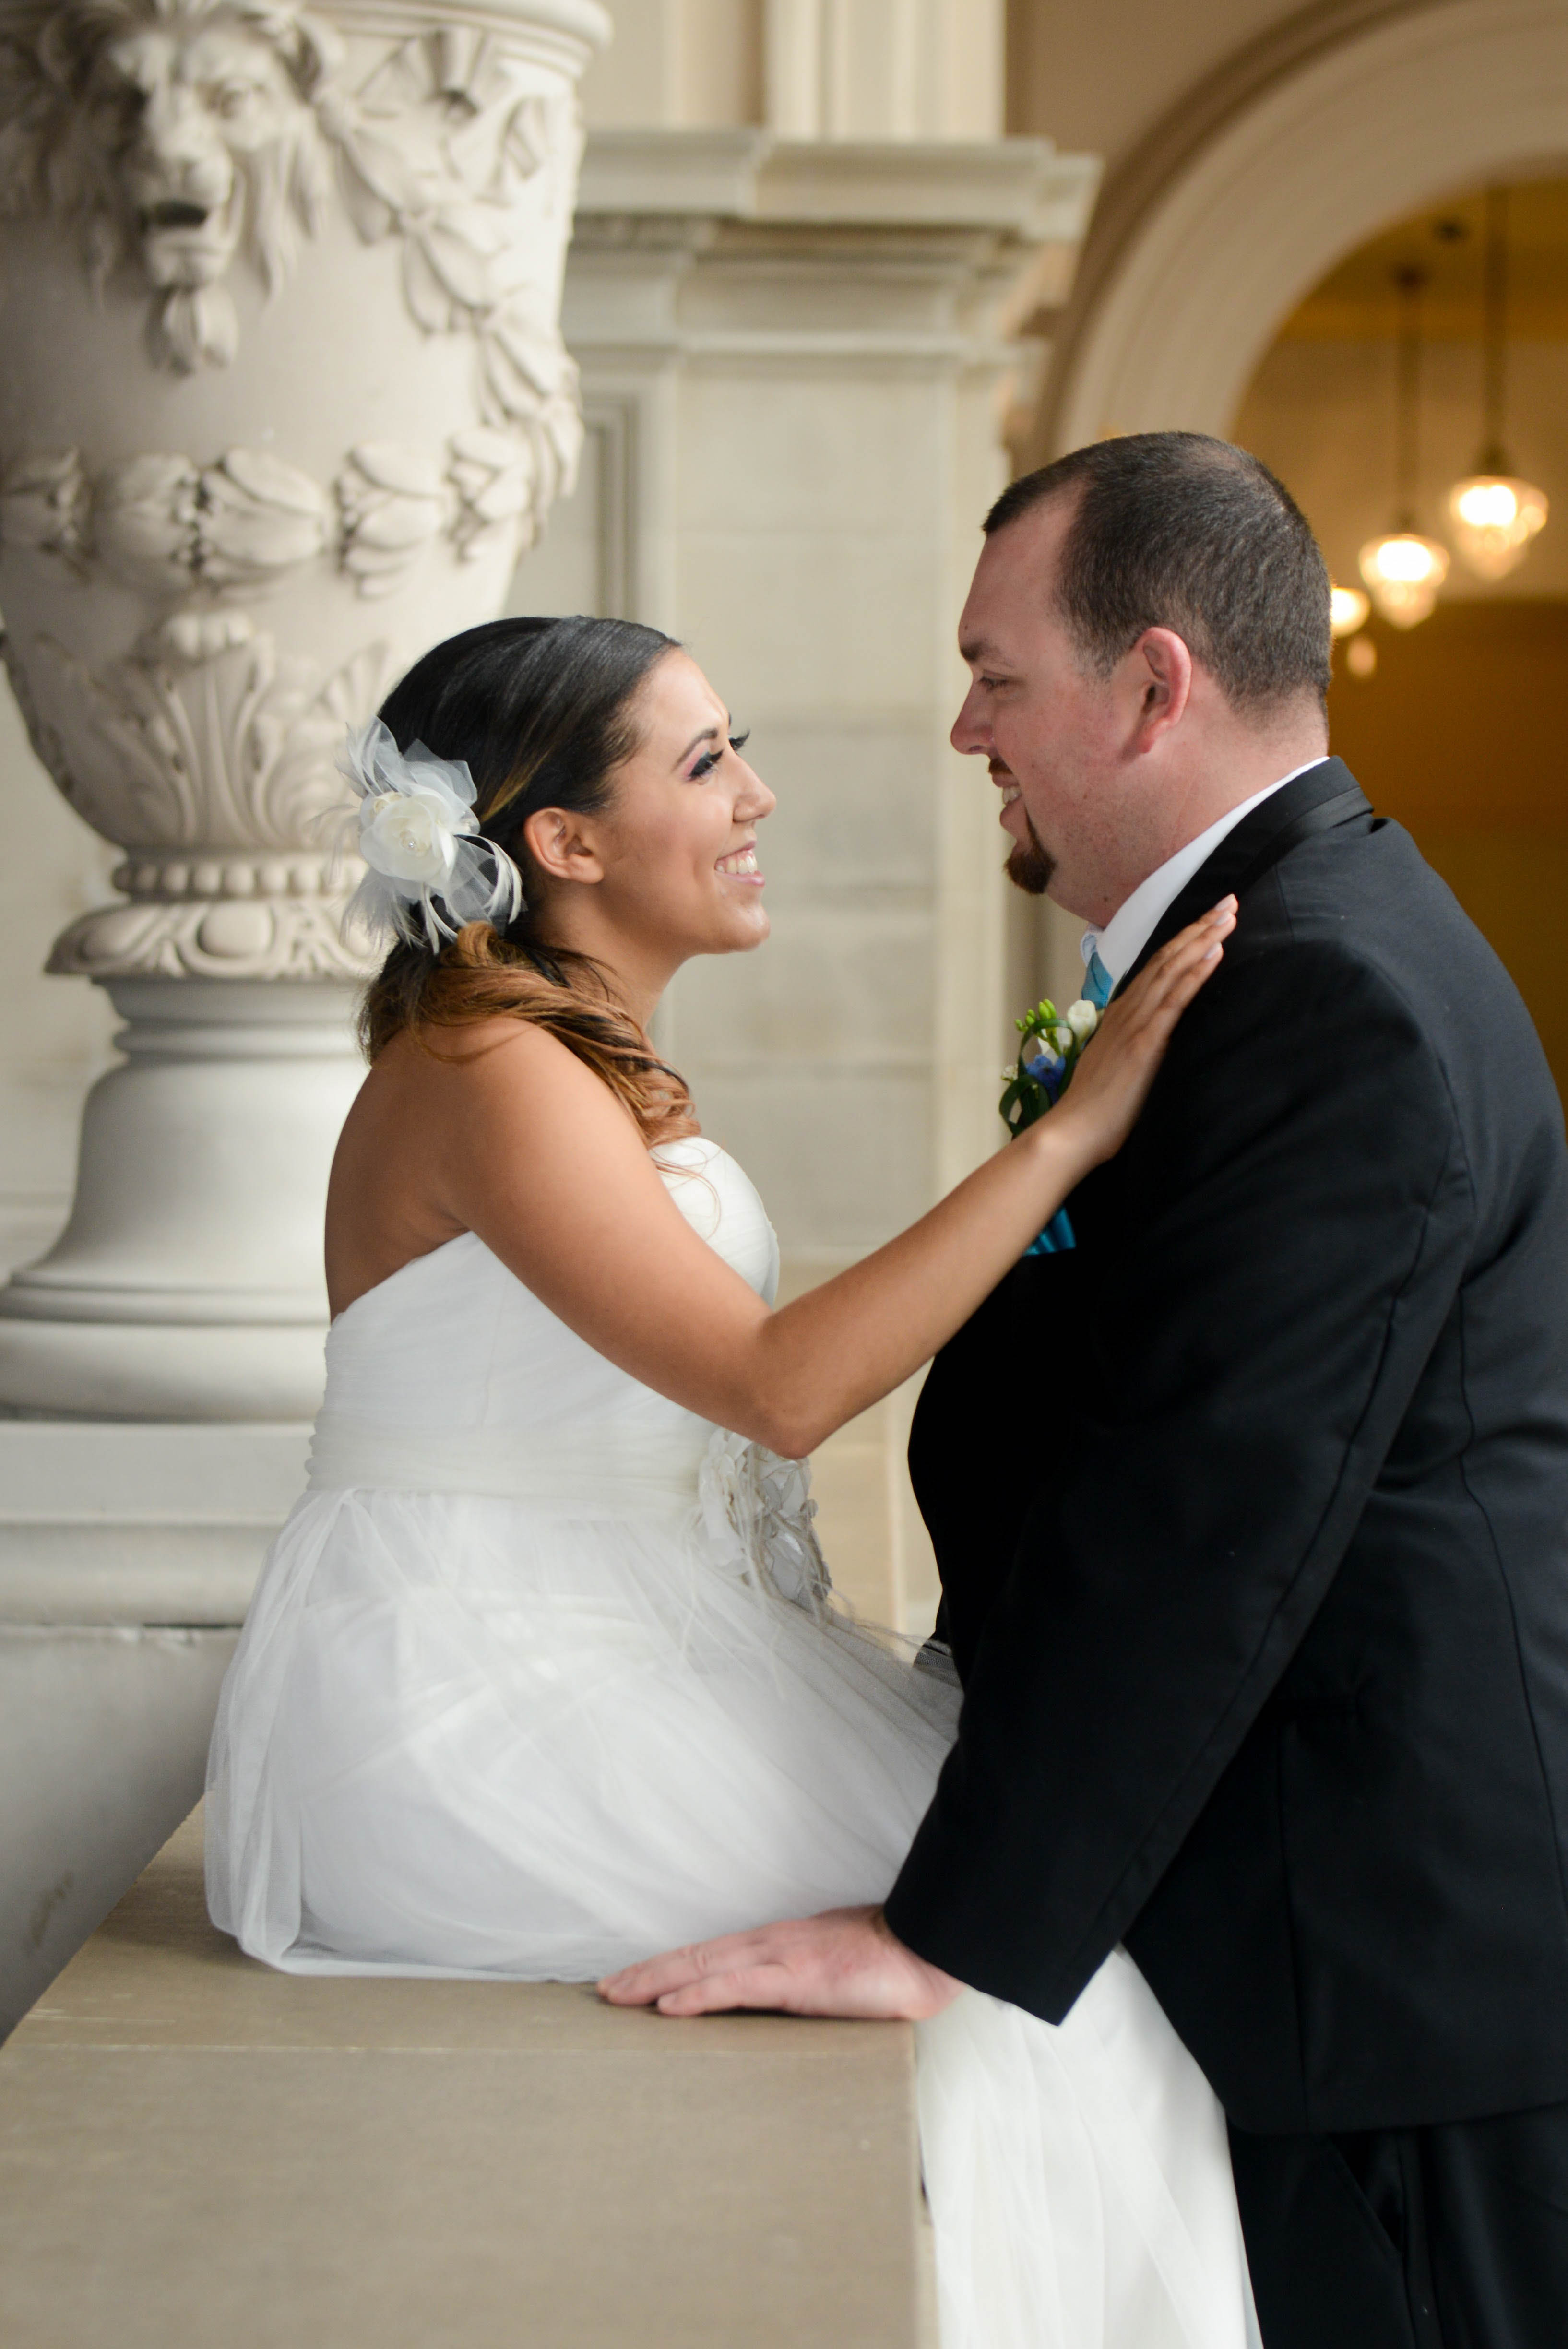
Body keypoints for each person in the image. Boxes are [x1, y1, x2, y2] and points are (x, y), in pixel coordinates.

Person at [606, 434, 1568, 2349]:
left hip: (1372, 1944)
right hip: (1304, 1918)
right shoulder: (1272, 951)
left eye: (996, 677)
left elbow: (1214, 1505)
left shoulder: (1326, 994)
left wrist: (946, 1931)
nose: (966, 733)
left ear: (1151, 686)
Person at [204, 609, 1254, 2348]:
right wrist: (1072, 1133)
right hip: (474, 1687)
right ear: (564, 842)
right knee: (1029, 1969)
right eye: (705, 763)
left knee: (1061, 1927)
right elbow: (779, 1392)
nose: (759, 794)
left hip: (624, 1641)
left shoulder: (562, 1058)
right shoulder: (488, 1066)